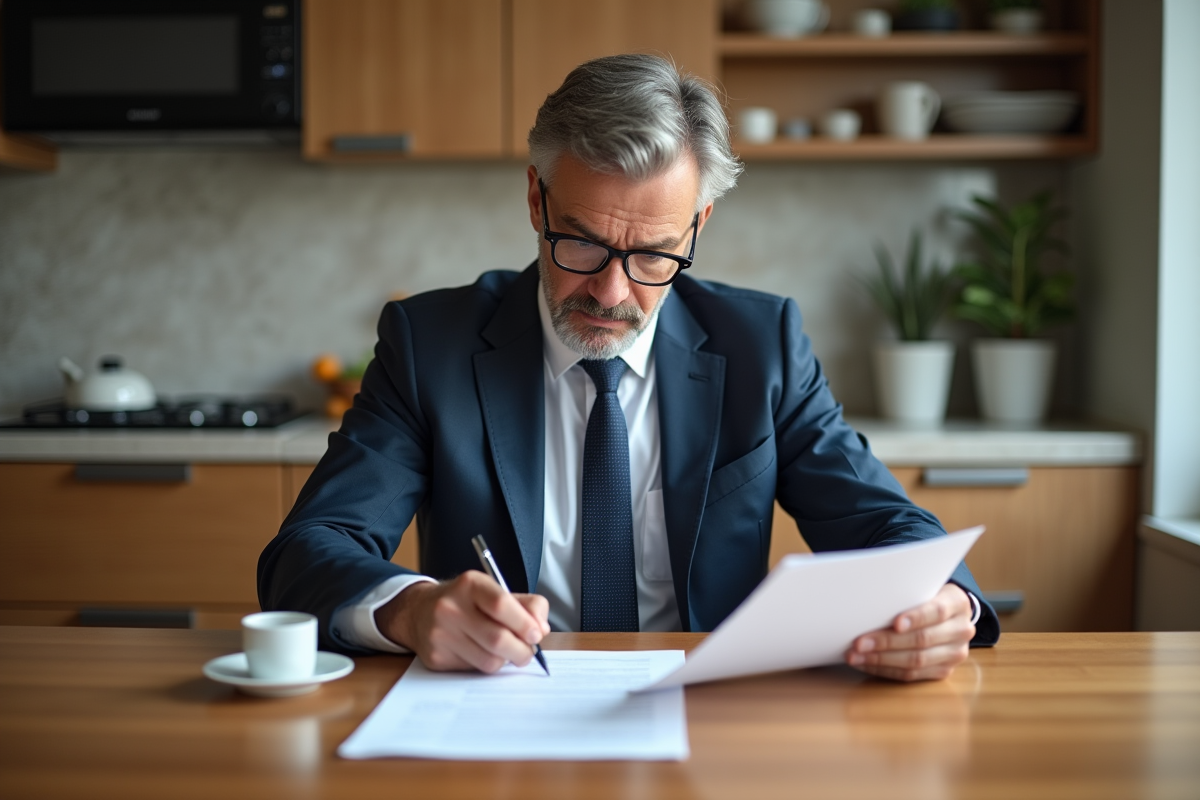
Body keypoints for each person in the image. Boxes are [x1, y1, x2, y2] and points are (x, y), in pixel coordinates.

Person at [259, 53, 999, 683]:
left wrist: (948, 604)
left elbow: (881, 520)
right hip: (500, 713)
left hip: (707, 715)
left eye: (653, 256)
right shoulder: (431, 344)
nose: (611, 294)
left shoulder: (760, 343)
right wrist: (411, 609)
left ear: (698, 225)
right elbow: (309, 550)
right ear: (534, 199)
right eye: (580, 244)